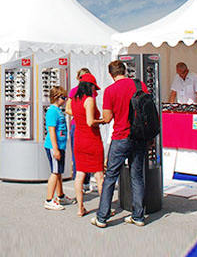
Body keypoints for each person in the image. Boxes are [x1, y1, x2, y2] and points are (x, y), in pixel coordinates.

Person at [91, 60, 149, 228]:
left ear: (111, 74)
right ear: (125, 70)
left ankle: (102, 217)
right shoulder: (140, 85)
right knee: (137, 176)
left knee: (110, 177)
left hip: (121, 137)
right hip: (139, 136)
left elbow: (108, 118)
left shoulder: (110, 90)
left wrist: (97, 121)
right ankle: (138, 216)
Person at [70, 73, 105, 217]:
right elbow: (90, 122)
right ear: (89, 86)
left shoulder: (74, 99)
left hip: (79, 138)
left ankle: (80, 207)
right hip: (91, 139)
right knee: (99, 174)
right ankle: (104, 208)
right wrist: (103, 121)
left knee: (80, 174)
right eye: (93, 87)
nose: (94, 90)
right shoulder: (89, 100)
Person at [43, 86, 73, 210]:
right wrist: (55, 149)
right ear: (56, 97)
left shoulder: (58, 110)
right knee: (55, 172)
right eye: (63, 97)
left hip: (60, 146)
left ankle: (61, 195)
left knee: (59, 171)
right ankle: (49, 199)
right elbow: (51, 131)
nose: (65, 100)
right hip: (54, 146)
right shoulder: (52, 111)